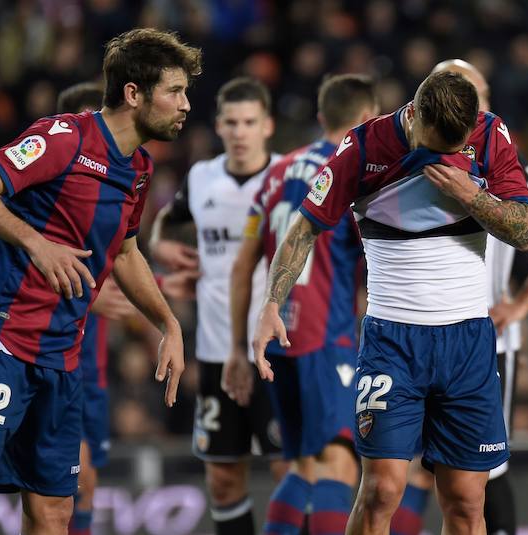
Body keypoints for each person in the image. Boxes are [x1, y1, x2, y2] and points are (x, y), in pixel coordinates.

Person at [0, 28, 197, 534]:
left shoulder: (139, 169)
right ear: (133, 93)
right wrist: (36, 242)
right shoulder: (65, 138)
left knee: (55, 510)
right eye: (176, 91)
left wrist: (168, 323)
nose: (186, 104)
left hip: (59, 359)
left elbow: (124, 252)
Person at [253, 71, 528, 535]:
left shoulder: (489, 134)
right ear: (415, 113)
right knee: (382, 490)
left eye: (456, 145)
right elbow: (304, 229)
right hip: (394, 341)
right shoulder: (364, 147)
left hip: (467, 341)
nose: (447, 154)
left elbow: (524, 231)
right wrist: (270, 304)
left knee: (466, 502)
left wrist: (471, 195)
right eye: (438, 143)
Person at [387, 59, 528, 535]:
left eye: (479, 91)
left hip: (485, 334)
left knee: (484, 474)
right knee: (409, 470)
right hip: (418, 330)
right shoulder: (409, 154)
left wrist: (522, 304)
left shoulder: (506, 158)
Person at [223, 74, 378, 535]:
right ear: (367, 119)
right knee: (339, 464)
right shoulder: (351, 169)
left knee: (301, 466)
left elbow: (242, 264)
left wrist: (237, 347)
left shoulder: (276, 172)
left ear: (320, 117)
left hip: (276, 338)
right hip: (324, 338)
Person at [56, 81, 200, 535]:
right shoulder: (51, 205)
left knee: (87, 485)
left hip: (94, 375)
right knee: (61, 488)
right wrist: (88, 294)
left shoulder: (124, 189)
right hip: (54, 361)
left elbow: (128, 266)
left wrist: (171, 306)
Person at [150, 77, 285, 535]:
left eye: (250, 122)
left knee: (290, 474)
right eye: (231, 122)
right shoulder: (201, 176)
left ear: (267, 126)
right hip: (213, 351)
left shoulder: (288, 178)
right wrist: (160, 243)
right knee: (224, 480)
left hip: (278, 352)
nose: (240, 132)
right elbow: (172, 217)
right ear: (219, 126)